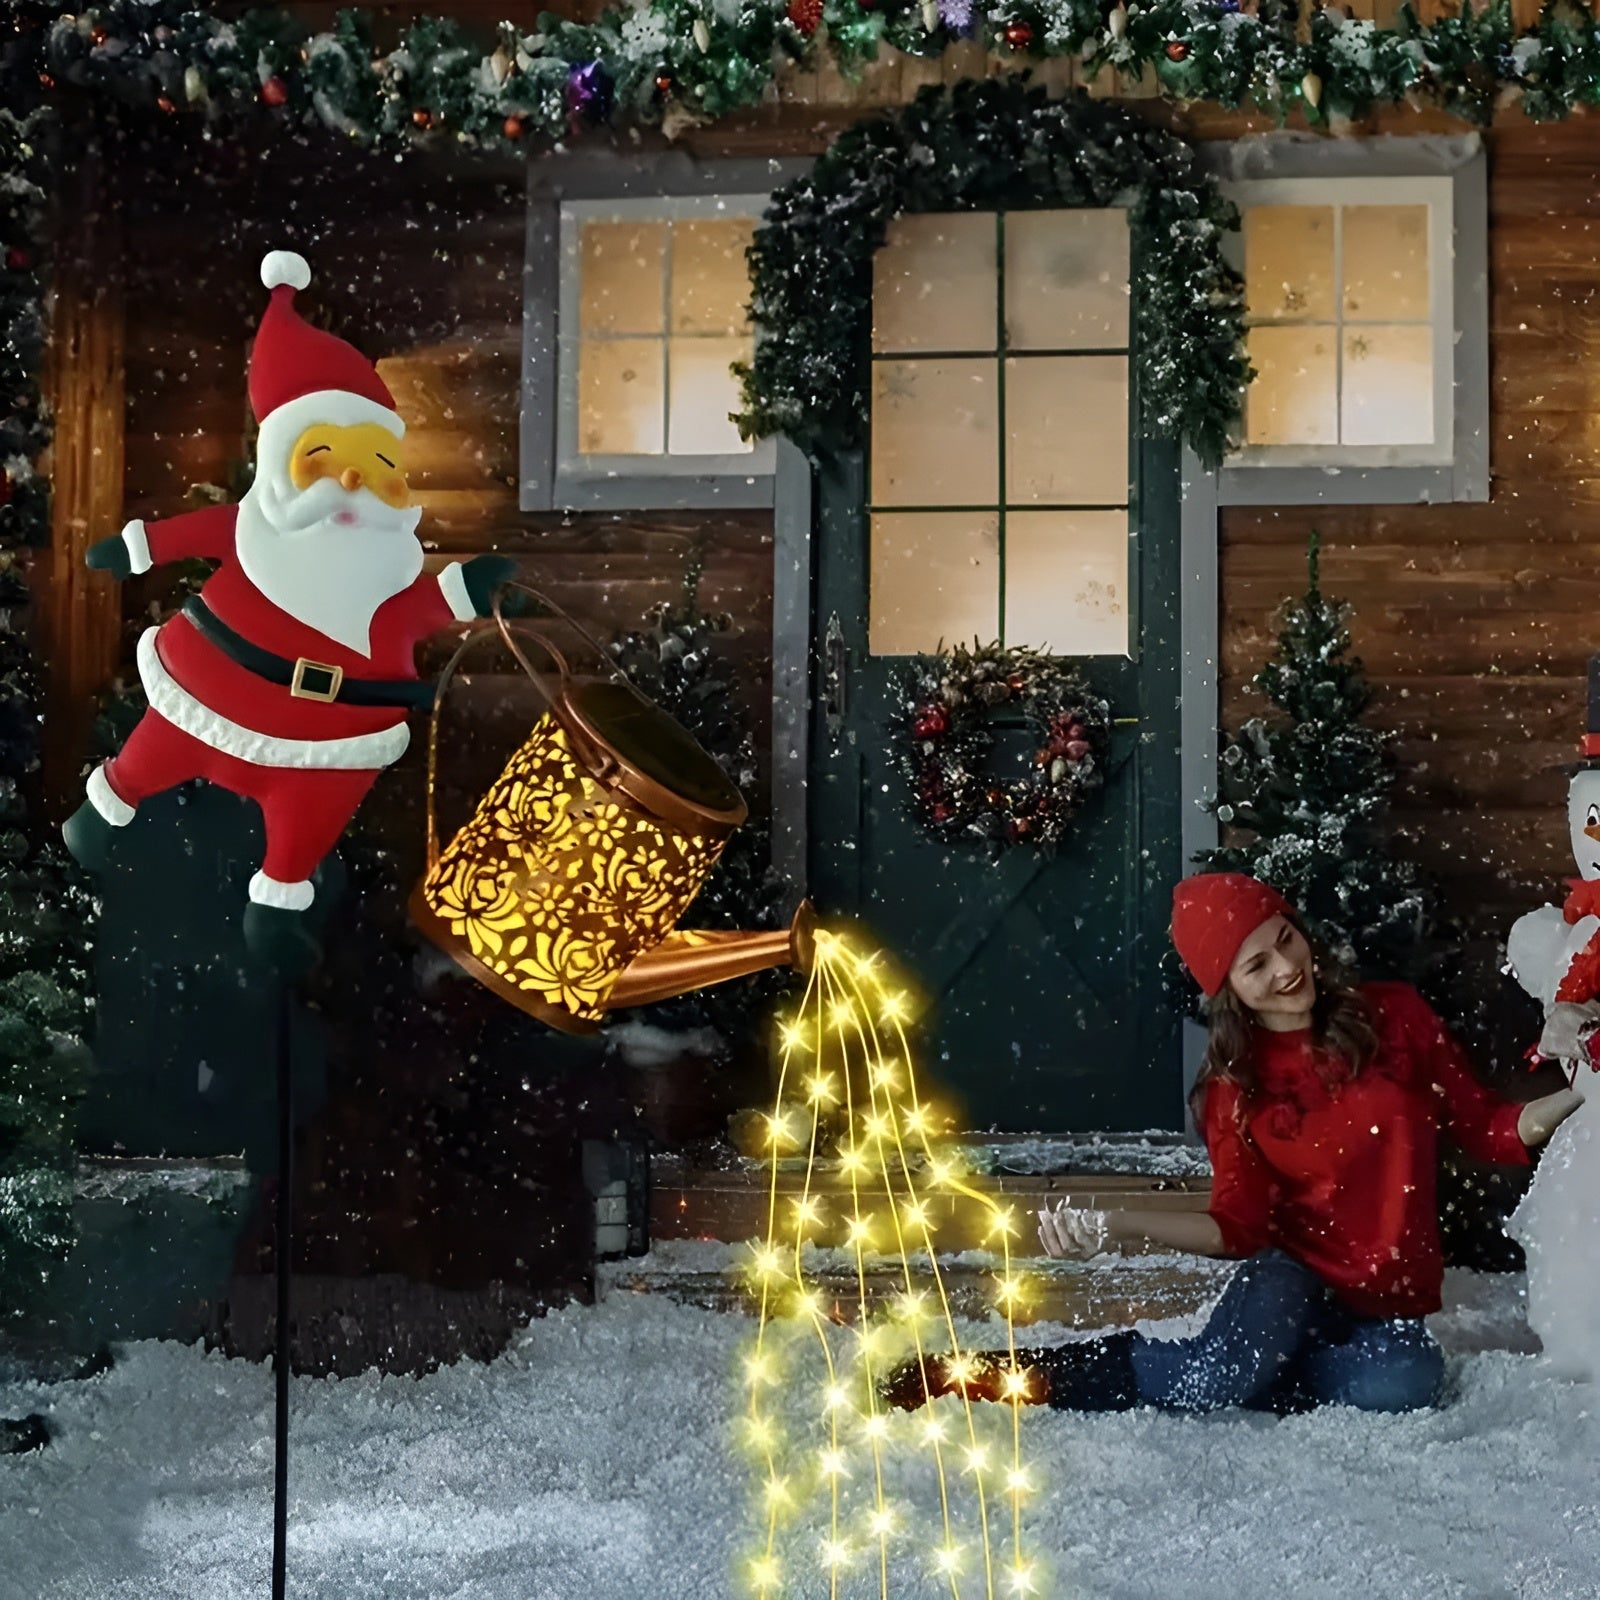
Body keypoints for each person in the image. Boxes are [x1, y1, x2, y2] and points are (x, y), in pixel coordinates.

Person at [882, 871, 1584, 1416]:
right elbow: (1236, 1227)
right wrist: (1117, 1224)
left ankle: (1269, 1367)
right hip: (1292, 1272)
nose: (1285, 967)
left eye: (1284, 937)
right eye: (1255, 966)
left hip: (1386, 1297)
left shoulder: (1395, 1015)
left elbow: (1488, 1127)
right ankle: (1000, 1373)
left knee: (1405, 1386)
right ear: (1231, 992)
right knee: (1205, 1381)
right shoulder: (1235, 1087)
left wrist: (1584, 1091)